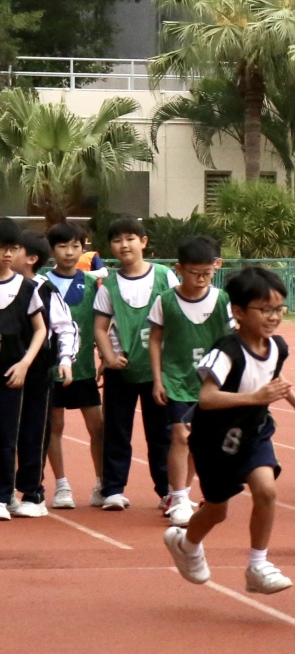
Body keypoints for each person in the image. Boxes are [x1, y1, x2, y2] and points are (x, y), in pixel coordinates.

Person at [162, 266, 295, 595]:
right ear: (238, 312)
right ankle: (186, 544)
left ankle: (258, 565)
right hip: (214, 441)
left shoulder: (277, 347)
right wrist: (254, 398)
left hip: (254, 432)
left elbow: (273, 379)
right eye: (265, 309)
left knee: (266, 490)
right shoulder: (227, 351)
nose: (274, 316)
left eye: (279, 308)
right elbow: (207, 397)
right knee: (217, 510)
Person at [92, 218, 176, 513]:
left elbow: (177, 315)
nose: (124, 245)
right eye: (117, 240)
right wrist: (109, 358)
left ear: (143, 242)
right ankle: (113, 490)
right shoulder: (109, 286)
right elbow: (100, 327)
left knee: (162, 434)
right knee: (116, 431)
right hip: (122, 371)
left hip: (159, 372)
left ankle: (168, 491)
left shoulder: (165, 277)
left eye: (130, 238)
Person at [148, 235, 231, 528]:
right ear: (179, 268)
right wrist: (157, 379)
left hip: (210, 382)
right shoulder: (166, 300)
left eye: (207, 273)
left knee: (200, 440)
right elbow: (155, 340)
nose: (201, 279)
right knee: (181, 435)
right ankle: (179, 497)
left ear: (217, 265)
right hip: (176, 379)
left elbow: (232, 340)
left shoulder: (222, 300)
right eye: (194, 273)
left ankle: (183, 490)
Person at [6, 230, 68, 519]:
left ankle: (33, 492)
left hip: (37, 369)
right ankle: (6, 492)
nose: (7, 254)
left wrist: (65, 360)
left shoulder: (43, 289)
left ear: (30, 258)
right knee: (7, 432)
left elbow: (64, 328)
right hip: (8, 367)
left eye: (14, 248)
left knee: (33, 431)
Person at [44, 223, 101, 510]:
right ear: (51, 250)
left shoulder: (92, 284)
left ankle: (102, 484)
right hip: (50, 370)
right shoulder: (41, 284)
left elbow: (103, 324)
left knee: (98, 427)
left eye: (75, 246)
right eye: (62, 246)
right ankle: (62, 485)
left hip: (84, 370)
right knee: (54, 426)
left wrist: (107, 356)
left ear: (83, 248)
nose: (69, 252)